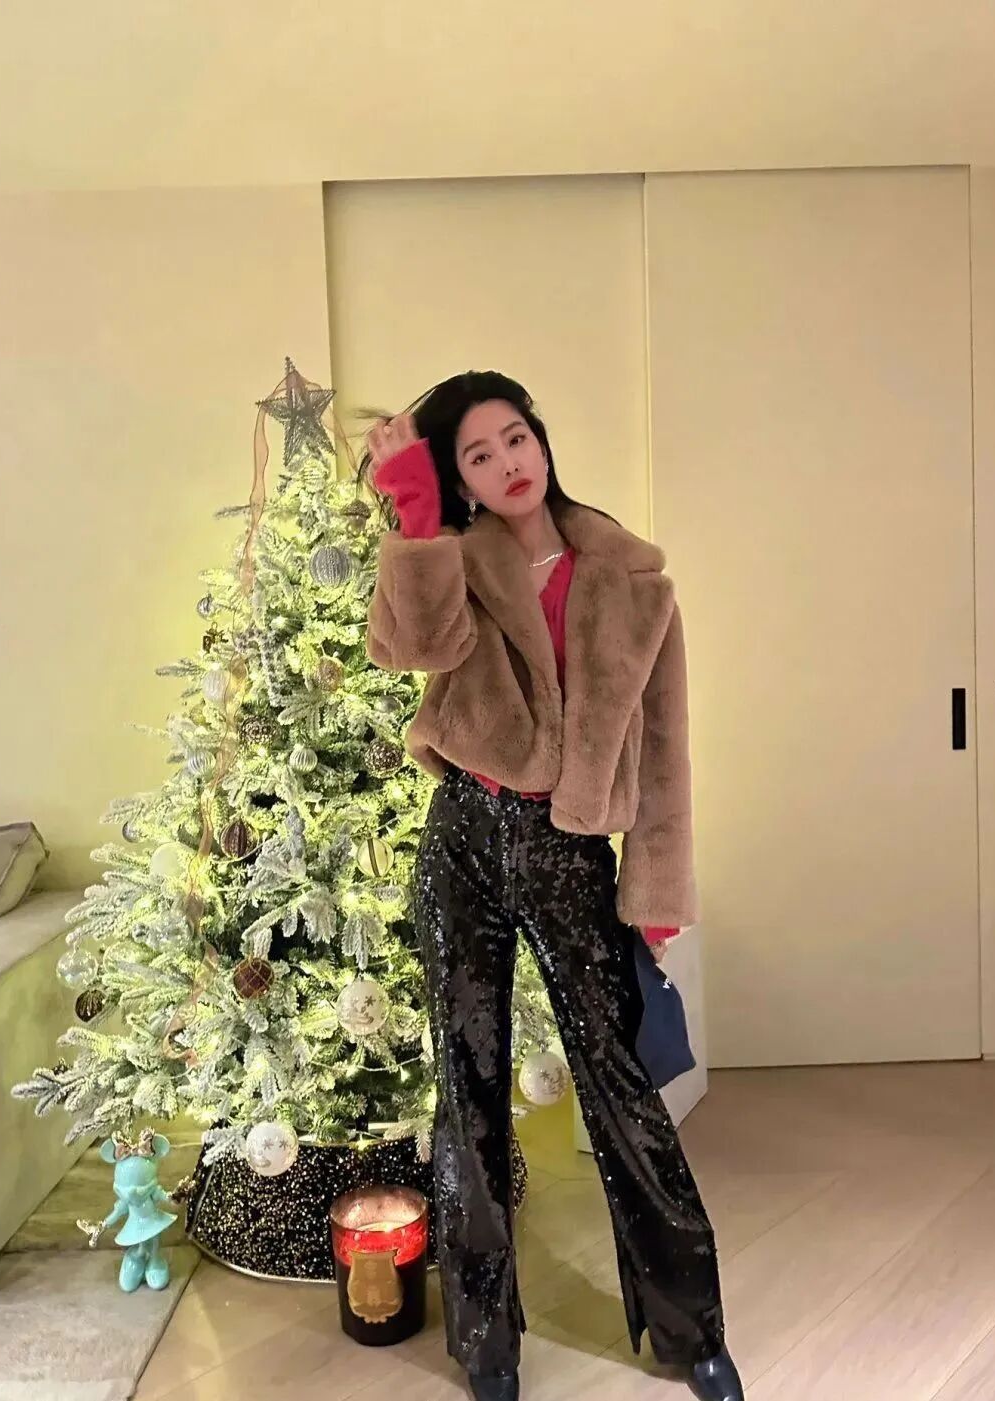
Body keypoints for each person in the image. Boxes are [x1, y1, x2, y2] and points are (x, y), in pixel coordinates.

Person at [362, 371, 742, 1401]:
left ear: (542, 440)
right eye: (478, 454)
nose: (507, 463)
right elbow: (411, 647)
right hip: (463, 837)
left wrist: (656, 890)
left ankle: (692, 1331)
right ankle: (486, 1343)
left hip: (568, 848)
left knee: (620, 1085)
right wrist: (417, 517)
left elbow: (664, 752)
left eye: (516, 438)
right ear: (462, 479)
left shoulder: (633, 580)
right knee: (469, 1082)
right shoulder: (456, 559)